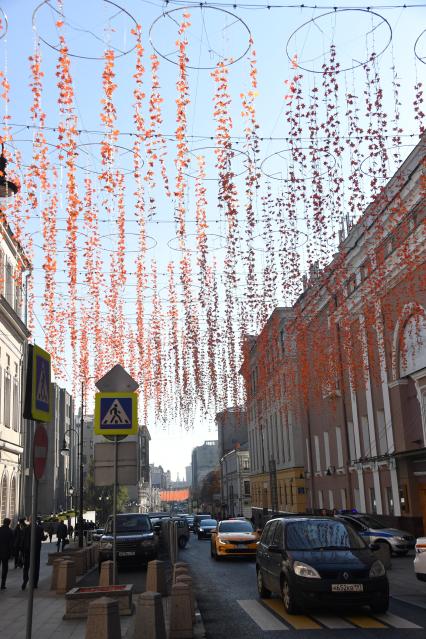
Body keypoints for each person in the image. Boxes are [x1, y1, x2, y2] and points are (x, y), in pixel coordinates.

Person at [22, 517, 47, 590]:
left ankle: (25, 580)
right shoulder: (39, 528)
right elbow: (42, 538)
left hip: (27, 551)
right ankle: (34, 583)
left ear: (29, 521)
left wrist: (22, 550)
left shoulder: (25, 529)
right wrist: (46, 537)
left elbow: (23, 540)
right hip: (36, 551)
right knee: (36, 567)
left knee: (26, 567)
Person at [0, 518, 14, 590]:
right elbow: (11, 544)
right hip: (6, 553)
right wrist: (12, 554)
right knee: (5, 569)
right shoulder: (10, 531)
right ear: (9, 523)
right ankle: (3, 584)